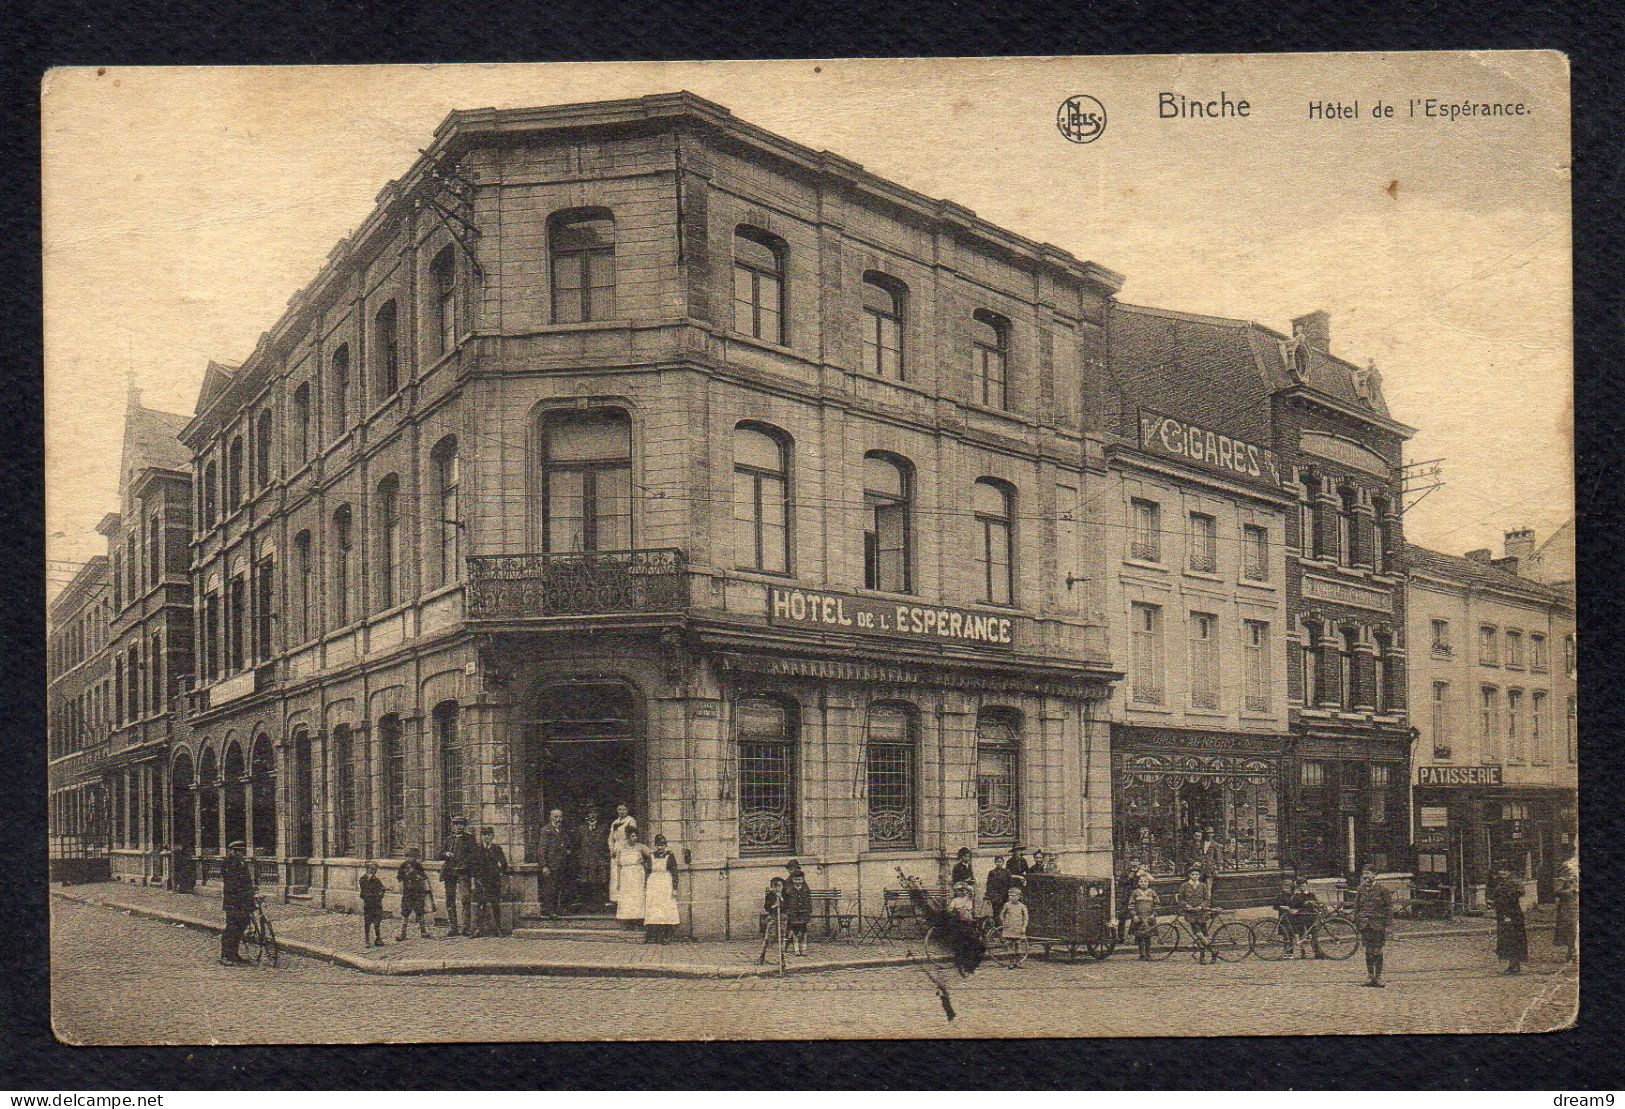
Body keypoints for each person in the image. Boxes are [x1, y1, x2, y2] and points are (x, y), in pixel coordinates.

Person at [218, 840, 256, 966]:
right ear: (231, 851)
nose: (240, 853)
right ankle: (225, 955)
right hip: (233, 902)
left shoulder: (242, 863)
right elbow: (232, 883)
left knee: (241, 927)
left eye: (241, 851)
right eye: (237, 851)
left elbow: (247, 881)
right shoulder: (228, 864)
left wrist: (251, 893)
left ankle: (234, 954)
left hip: (244, 902)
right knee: (231, 928)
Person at [1354, 866, 1393, 987]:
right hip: (1365, 924)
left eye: (1368, 873)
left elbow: (1389, 908)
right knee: (1368, 950)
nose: (1365, 876)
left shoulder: (1383, 889)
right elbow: (1357, 907)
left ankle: (1378, 977)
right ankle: (1370, 976)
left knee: (1378, 950)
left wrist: (1388, 926)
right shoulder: (1360, 889)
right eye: (1364, 873)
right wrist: (1357, 920)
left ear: (1374, 875)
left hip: (1378, 925)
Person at [469, 826, 511, 937]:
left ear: (492, 836)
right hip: (481, 882)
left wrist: (500, 865)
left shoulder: (497, 849)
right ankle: (479, 929)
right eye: (484, 835)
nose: (486, 837)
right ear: (481, 837)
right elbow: (473, 868)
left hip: (494, 881)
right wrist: (473, 883)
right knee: (480, 905)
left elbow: (504, 864)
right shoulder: (477, 849)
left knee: (495, 905)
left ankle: (498, 928)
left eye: (488, 835)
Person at [440, 815, 478, 937]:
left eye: (461, 824)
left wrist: (464, 864)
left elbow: (473, 856)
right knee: (450, 900)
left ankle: (466, 927)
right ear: (453, 826)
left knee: (465, 899)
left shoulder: (470, 839)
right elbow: (439, 854)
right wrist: (446, 853)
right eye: (456, 824)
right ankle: (453, 927)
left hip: (463, 873)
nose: (458, 827)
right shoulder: (449, 839)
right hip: (449, 873)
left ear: (464, 826)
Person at [643, 834, 681, 944]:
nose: (661, 848)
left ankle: (666, 935)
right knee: (654, 907)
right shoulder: (651, 856)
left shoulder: (670, 856)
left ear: (665, 845)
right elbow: (647, 871)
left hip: (665, 883)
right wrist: (646, 884)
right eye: (659, 845)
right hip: (653, 883)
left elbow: (675, 873)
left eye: (663, 845)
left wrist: (674, 888)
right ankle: (654, 935)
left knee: (666, 908)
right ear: (655, 846)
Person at [1491, 867, 1529, 975]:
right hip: (1503, 916)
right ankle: (1511, 965)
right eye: (1500, 870)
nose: (1502, 872)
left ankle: (1515, 965)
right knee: (1506, 941)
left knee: (1514, 940)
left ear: (1510, 872)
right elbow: (1495, 898)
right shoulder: (1499, 884)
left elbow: (1520, 894)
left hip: (1512, 916)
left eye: (1505, 870)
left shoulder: (1515, 884)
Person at [1175, 865, 1214, 964]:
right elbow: (1180, 899)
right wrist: (1186, 905)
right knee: (1198, 932)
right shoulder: (1184, 886)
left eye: (1196, 874)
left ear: (1199, 875)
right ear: (1189, 875)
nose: (1194, 876)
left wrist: (1202, 906)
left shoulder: (1203, 886)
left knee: (1203, 934)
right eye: (1192, 874)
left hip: (1201, 913)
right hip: (1191, 914)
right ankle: (1212, 952)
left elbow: (1207, 899)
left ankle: (1205, 956)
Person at [614, 826, 652, 929]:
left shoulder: (640, 847)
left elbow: (652, 854)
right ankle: (627, 922)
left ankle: (638, 921)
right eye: (632, 836)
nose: (634, 838)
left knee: (637, 896)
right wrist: (618, 881)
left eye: (636, 836)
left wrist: (646, 866)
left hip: (637, 874)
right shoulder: (621, 848)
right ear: (627, 836)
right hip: (626, 875)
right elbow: (618, 865)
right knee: (627, 898)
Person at [575, 808, 612, 911]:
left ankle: (599, 905)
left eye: (594, 813)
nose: (592, 815)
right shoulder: (581, 828)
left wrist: (604, 856)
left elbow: (607, 843)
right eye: (590, 813)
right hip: (586, 860)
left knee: (599, 882)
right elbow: (577, 844)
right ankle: (588, 905)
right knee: (586, 882)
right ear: (586, 815)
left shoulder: (603, 828)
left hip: (599, 859)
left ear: (597, 814)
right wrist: (581, 856)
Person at [537, 808, 569, 919]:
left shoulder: (563, 831)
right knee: (550, 888)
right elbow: (542, 849)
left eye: (560, 817)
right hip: (551, 865)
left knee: (559, 888)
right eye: (555, 817)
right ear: (550, 817)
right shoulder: (546, 830)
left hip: (561, 864)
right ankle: (550, 911)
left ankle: (557, 909)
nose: (558, 819)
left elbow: (566, 844)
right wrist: (544, 865)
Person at [396, 847, 435, 940]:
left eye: (414, 857)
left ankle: (423, 932)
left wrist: (420, 878)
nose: (411, 859)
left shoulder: (418, 865)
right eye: (409, 857)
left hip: (418, 892)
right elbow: (399, 878)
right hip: (407, 893)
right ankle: (402, 933)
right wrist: (406, 875)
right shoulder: (403, 866)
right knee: (405, 912)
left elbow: (424, 877)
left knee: (420, 912)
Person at [1280, 877, 1323, 958]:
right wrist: (1300, 907)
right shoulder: (1297, 896)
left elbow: (1316, 902)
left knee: (1314, 935)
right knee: (1301, 935)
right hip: (1301, 918)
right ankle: (1303, 953)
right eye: (1300, 886)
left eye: (1303, 885)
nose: (1302, 888)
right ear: (1298, 887)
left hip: (1311, 917)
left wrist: (1316, 905)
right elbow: (1294, 905)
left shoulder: (1311, 894)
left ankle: (1317, 953)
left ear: (1307, 885)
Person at [607, 804, 638, 907]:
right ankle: (615, 899)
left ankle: (625, 899)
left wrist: (623, 848)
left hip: (626, 849)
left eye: (624, 809)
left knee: (624, 873)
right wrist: (612, 849)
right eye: (619, 809)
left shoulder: (630, 821)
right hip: (616, 851)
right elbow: (611, 838)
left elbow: (632, 836)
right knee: (615, 874)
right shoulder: (615, 822)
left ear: (628, 810)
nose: (622, 811)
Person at [1553, 850, 1579, 963]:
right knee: (1571, 929)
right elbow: (1557, 892)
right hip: (1568, 908)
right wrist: (1570, 889)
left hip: (1575, 905)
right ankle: (1571, 950)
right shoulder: (1564, 879)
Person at [783, 868, 814, 956]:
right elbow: (787, 902)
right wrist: (788, 911)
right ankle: (796, 949)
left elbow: (809, 901)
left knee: (804, 931)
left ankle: (804, 949)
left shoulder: (806, 890)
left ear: (803, 879)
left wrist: (809, 910)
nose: (797, 881)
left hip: (804, 912)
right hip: (794, 913)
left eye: (799, 879)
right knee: (795, 931)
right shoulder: (790, 891)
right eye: (795, 879)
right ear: (792, 880)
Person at [758, 876, 786, 964]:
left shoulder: (785, 895)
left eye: (779, 886)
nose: (777, 889)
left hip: (782, 917)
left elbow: (788, 906)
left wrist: (781, 899)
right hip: (773, 917)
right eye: (775, 886)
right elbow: (766, 907)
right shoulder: (770, 895)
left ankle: (782, 959)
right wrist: (774, 905)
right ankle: (762, 956)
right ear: (772, 887)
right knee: (768, 937)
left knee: (781, 938)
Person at [1000, 884, 1029, 967]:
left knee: (1017, 945)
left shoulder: (1022, 906)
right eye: (1009, 896)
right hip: (1009, 928)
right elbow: (1001, 914)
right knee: (1009, 945)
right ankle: (1011, 962)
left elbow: (1026, 918)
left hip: (1018, 928)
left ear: (1019, 896)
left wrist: (1024, 927)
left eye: (1013, 896)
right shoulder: (1007, 905)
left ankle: (1018, 962)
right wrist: (1003, 922)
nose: (1011, 897)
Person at [359, 861, 387, 947]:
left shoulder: (377, 880)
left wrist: (382, 891)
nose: (374, 872)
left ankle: (378, 938)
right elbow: (363, 891)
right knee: (367, 922)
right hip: (368, 904)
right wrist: (369, 880)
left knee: (377, 922)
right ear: (367, 870)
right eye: (372, 869)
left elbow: (381, 888)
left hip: (377, 903)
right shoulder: (363, 879)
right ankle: (367, 940)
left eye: (375, 870)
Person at [984, 854, 1013, 930]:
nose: (998, 863)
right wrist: (988, 896)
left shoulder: (1007, 872)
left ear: (1003, 862)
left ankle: (1006, 930)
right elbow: (989, 885)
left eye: (1000, 861)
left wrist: (1009, 895)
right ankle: (997, 931)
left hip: (1005, 896)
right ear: (995, 862)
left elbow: (1010, 884)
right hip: (995, 897)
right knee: (996, 913)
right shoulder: (992, 872)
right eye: (997, 861)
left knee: (1005, 913)